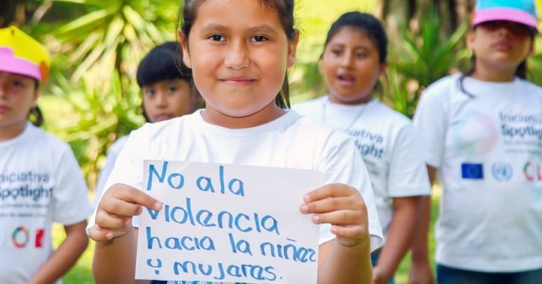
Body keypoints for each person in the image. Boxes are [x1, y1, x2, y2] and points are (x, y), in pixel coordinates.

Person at [87, 0, 384, 283]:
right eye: (217, 37)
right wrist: (116, 233)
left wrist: (352, 244)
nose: (237, 59)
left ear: (291, 47)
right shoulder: (150, 146)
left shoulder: (327, 149)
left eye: (259, 38)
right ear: (186, 47)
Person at [0, 26, 91, 283]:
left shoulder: (55, 153)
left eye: (17, 83)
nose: (2, 92)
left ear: (36, 95)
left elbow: (78, 233)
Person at [293, 12, 430, 284]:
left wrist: (383, 270)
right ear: (322, 60)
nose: (347, 63)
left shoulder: (397, 128)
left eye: (361, 54)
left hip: (368, 258)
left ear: (381, 68)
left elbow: (407, 207)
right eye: (337, 51)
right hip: (297, 251)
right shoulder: (296, 116)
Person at [410, 0, 542, 283]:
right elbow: (420, 184)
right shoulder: (441, 97)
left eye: (518, 28)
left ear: (531, 45)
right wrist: (419, 260)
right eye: (493, 25)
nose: (504, 34)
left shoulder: (538, 101)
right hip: (462, 261)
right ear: (471, 37)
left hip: (533, 259)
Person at [93, 41, 198, 206]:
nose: (160, 102)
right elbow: (102, 211)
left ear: (195, 91)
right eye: (150, 92)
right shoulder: (124, 148)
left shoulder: (210, 144)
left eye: (171, 89)